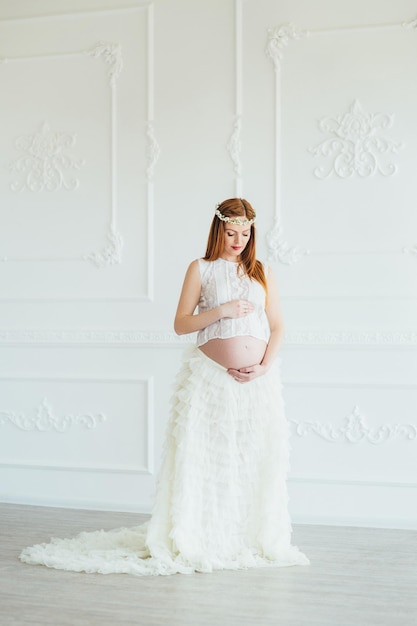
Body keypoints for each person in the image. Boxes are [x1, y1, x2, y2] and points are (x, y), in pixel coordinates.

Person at [20, 198, 309, 576]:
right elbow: (181, 324)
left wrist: (263, 367)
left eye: (245, 233)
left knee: (252, 457)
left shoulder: (261, 272)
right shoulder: (201, 269)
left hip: (257, 382)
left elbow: (279, 326)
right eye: (231, 232)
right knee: (203, 456)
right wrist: (222, 311)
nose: (238, 240)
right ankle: (201, 537)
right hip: (209, 378)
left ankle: (246, 537)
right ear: (218, 229)